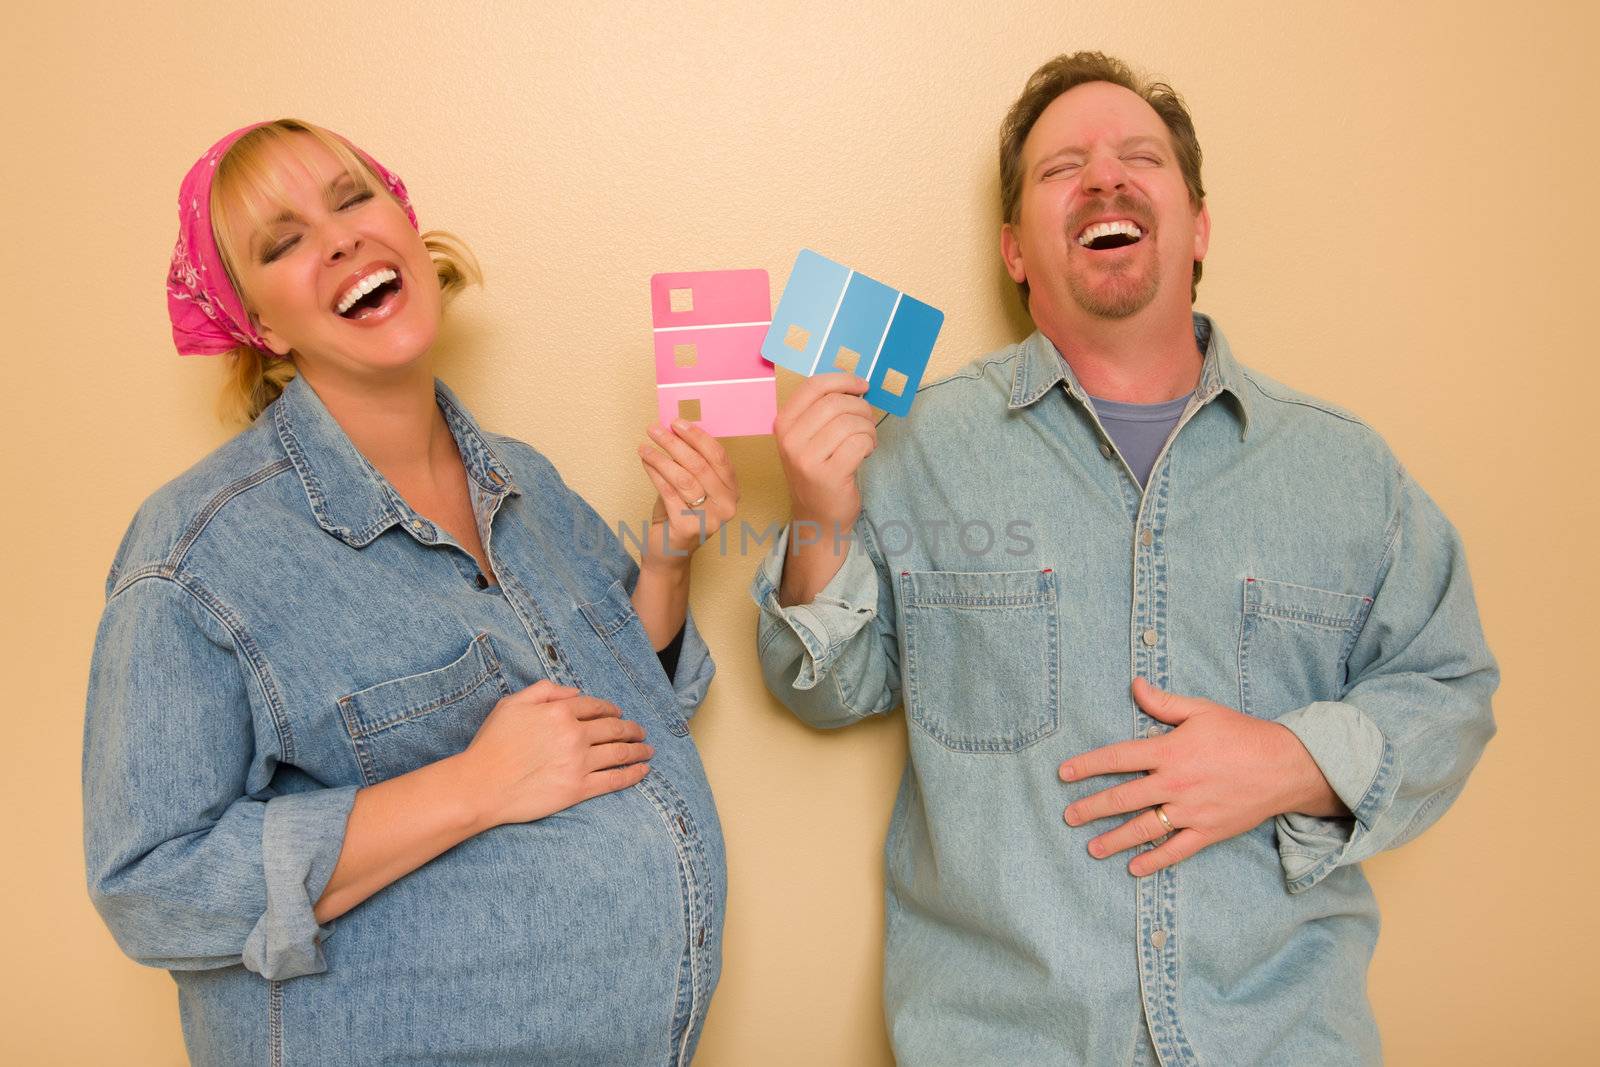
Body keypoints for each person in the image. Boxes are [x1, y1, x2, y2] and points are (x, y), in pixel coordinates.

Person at [753, 52, 1496, 1065]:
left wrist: (1291, 761)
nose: (1104, 178)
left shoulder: (1346, 468)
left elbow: (1451, 688)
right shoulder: (916, 446)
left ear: (1198, 225)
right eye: (1063, 167)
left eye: (1138, 157)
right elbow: (825, 690)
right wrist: (818, 515)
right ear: (1014, 250)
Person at [83, 119, 735, 1065]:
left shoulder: (527, 481)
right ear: (258, 324)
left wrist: (671, 557)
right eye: (285, 239)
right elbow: (150, 885)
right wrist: (470, 786)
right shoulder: (195, 556)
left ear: (408, 225)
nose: (341, 236)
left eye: (354, 198)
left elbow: (622, 711)